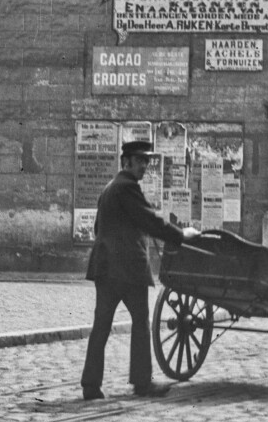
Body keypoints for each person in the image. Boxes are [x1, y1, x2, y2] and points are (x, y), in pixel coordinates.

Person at [80, 139, 200, 400]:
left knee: (101, 325)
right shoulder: (127, 188)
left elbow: (99, 228)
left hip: (105, 267)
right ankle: (142, 383)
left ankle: (90, 385)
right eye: (140, 161)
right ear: (126, 162)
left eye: (146, 161)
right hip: (127, 270)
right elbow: (150, 220)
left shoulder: (110, 188)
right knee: (140, 323)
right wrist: (182, 235)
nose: (144, 166)